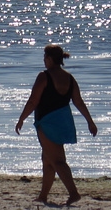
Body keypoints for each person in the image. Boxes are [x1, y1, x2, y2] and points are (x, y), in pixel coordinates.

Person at [15, 45, 97, 205]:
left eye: (45, 57)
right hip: (64, 121)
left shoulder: (44, 76)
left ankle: (74, 193)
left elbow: (33, 101)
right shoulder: (69, 78)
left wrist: (21, 118)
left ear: (50, 59)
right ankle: (43, 196)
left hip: (48, 122)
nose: (44, 60)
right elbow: (78, 101)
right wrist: (90, 121)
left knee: (57, 160)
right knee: (47, 159)